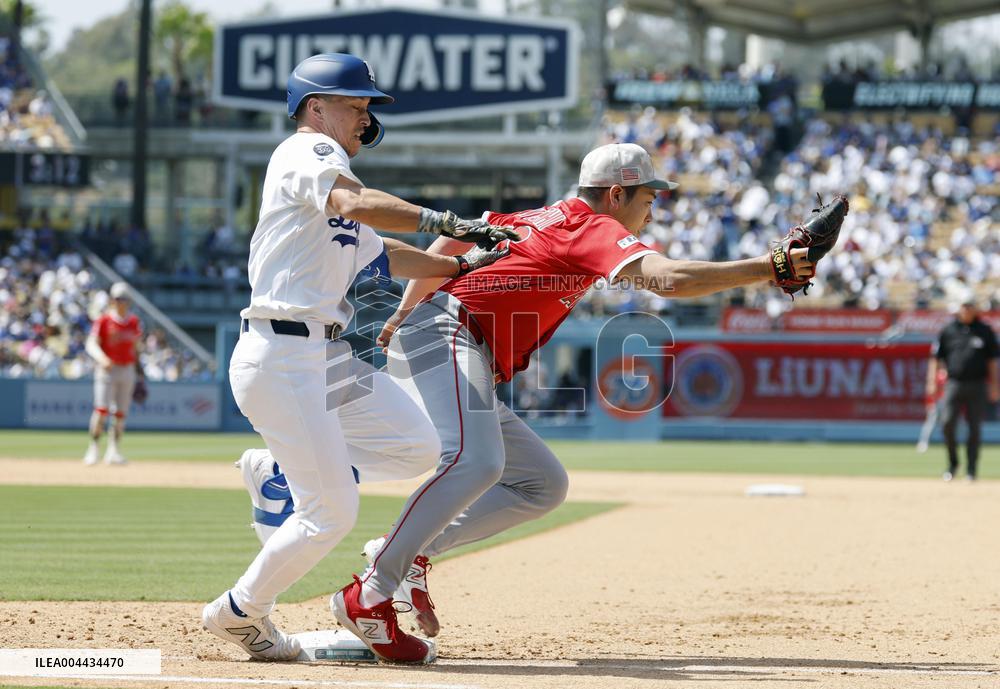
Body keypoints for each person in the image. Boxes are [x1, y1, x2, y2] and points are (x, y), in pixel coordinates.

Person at [318, 142, 818, 663]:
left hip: (446, 333)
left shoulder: (534, 216)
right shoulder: (592, 227)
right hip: (448, 331)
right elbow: (669, 279)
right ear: (617, 194)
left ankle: (411, 552)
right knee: (476, 461)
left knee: (542, 484)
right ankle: (370, 593)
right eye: (648, 199)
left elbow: (455, 238)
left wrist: (405, 309)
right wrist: (767, 267)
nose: (651, 212)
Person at [199, 52, 516, 663]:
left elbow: (384, 253)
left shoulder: (332, 187)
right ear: (315, 107)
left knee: (418, 446)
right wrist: (448, 221)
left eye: (368, 106)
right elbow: (356, 204)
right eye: (355, 105)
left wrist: (463, 264)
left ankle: (279, 470)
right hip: (282, 353)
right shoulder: (308, 151)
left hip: (322, 356)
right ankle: (240, 612)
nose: (365, 117)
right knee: (330, 514)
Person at [927, 297, 999, 481]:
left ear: (975, 309)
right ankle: (953, 464)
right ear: (959, 308)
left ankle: (971, 469)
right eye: (964, 306)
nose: (966, 310)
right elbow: (936, 357)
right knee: (947, 423)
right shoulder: (948, 330)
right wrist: (932, 382)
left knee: (974, 428)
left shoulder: (984, 330)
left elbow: (992, 360)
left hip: (978, 384)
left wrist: (994, 384)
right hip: (954, 383)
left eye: (970, 306)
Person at [83, 282, 144, 465]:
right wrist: (102, 358)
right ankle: (93, 448)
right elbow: (91, 344)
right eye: (117, 299)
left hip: (127, 369)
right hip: (107, 370)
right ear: (112, 300)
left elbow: (136, 348)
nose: (120, 302)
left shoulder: (133, 322)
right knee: (101, 410)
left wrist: (140, 372)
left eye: (123, 299)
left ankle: (113, 451)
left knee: (120, 413)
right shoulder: (104, 320)